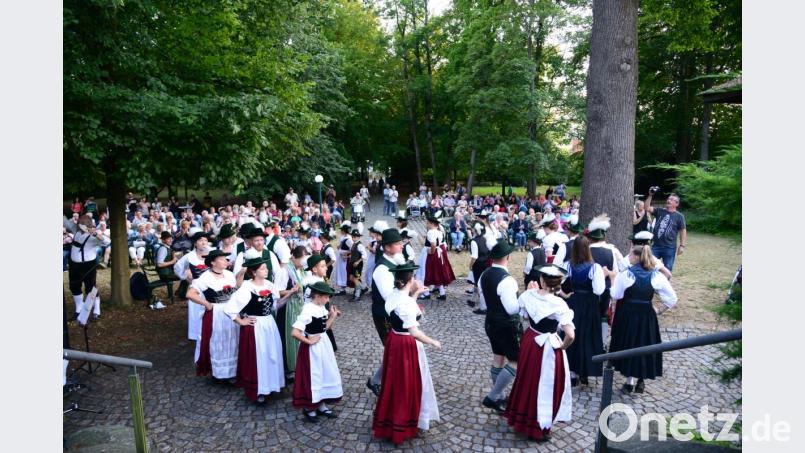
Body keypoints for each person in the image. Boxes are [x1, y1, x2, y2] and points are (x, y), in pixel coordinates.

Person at [504, 264, 575, 442]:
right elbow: (570, 335)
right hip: (549, 346)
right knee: (547, 385)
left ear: (542, 280)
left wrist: (530, 292)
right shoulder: (559, 304)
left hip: (530, 341)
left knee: (527, 379)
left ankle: (522, 418)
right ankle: (541, 426)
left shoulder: (528, 296)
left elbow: (525, 316)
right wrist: (563, 347)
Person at [372, 261, 441, 445]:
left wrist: (417, 294)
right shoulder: (406, 304)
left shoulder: (393, 296)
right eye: (415, 278)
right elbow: (414, 332)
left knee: (393, 381)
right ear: (410, 281)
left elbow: (404, 307)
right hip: (406, 344)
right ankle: (401, 426)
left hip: (394, 341)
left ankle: (390, 422)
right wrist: (433, 341)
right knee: (406, 384)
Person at [609, 244, 677, 393]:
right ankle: (640, 380)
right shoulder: (656, 275)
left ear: (637, 257)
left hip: (629, 314)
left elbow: (615, 295)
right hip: (647, 314)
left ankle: (630, 382)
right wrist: (658, 311)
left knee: (630, 344)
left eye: (631, 255)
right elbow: (672, 298)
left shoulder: (626, 274)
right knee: (645, 344)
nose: (629, 257)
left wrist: (613, 279)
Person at [224, 250, 285, 403]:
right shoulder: (246, 288)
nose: (267, 270)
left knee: (271, 354)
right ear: (254, 272)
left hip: (269, 324)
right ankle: (259, 389)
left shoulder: (270, 285)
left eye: (266, 267)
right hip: (256, 327)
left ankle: (271, 386)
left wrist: (289, 295)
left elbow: (274, 306)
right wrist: (242, 321)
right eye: (263, 268)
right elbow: (229, 309)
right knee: (259, 357)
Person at [291, 281, 343, 423]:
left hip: (323, 344)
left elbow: (323, 328)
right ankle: (309, 407)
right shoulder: (308, 309)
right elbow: (295, 332)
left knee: (325, 372)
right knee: (313, 376)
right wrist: (308, 341)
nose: (328, 300)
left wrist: (332, 316)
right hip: (311, 349)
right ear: (318, 296)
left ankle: (321, 404)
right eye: (326, 297)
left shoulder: (321, 308)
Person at [479, 240, 520, 413]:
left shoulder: (485, 274)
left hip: (490, 321)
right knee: (515, 362)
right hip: (505, 324)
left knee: (498, 359)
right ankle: (493, 397)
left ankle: (501, 395)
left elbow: (482, 300)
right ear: (507, 257)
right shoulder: (508, 280)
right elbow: (512, 308)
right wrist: (524, 301)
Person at [185, 249, 239, 382]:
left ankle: (233, 371)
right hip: (217, 315)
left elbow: (236, 289)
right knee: (218, 342)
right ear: (213, 263)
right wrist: (206, 303)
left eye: (225, 258)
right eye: (222, 259)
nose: (226, 261)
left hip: (230, 313)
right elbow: (190, 294)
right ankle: (219, 373)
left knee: (232, 340)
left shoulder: (229, 274)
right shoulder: (205, 277)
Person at [367, 228, 406, 396]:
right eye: (398, 244)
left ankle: (377, 381)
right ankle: (385, 383)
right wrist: (409, 291)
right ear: (387, 247)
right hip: (384, 315)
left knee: (396, 351)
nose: (402, 246)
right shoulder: (382, 269)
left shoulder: (396, 261)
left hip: (396, 313)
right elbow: (389, 297)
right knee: (394, 350)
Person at [564, 235, 606, 386]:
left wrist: (565, 294)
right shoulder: (595, 268)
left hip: (574, 303)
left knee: (573, 335)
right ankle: (585, 372)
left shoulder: (568, 265)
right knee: (587, 337)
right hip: (589, 305)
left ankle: (573, 373)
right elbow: (598, 290)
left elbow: (558, 282)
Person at [274, 246, 309, 379]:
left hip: (300, 308)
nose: (303, 262)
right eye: (302, 259)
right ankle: (289, 368)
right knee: (289, 337)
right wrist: (292, 290)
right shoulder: (284, 271)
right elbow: (277, 291)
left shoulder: (302, 270)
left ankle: (299, 364)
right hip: (287, 309)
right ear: (293, 257)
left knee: (300, 335)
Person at [68, 215, 109, 321]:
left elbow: (107, 242)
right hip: (74, 265)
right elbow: (66, 222)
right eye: (79, 223)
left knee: (90, 288)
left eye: (82, 224)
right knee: (74, 286)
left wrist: (95, 233)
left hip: (88, 266)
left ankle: (96, 310)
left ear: (88, 225)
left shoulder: (93, 237)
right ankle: (79, 309)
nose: (79, 225)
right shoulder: (76, 231)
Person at [173, 229, 212, 340]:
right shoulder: (189, 257)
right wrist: (186, 277)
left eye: (205, 240)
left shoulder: (212, 253)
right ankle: (198, 336)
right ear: (195, 243)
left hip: (211, 288)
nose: (204, 242)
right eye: (200, 240)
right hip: (196, 290)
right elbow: (177, 268)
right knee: (196, 314)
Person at [644, 189, 687, 272]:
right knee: (650, 266)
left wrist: (682, 245)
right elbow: (646, 208)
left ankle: (665, 283)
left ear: (676, 204)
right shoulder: (659, 211)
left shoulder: (679, 216)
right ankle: (651, 284)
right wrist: (650, 195)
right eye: (668, 199)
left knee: (667, 269)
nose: (669, 200)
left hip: (669, 247)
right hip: (655, 246)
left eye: (671, 200)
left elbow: (683, 231)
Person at [417, 215, 455, 300]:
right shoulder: (439, 231)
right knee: (438, 272)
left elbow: (433, 244)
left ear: (431, 224)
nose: (426, 224)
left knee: (426, 271)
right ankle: (442, 293)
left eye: (427, 223)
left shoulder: (431, 232)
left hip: (431, 253)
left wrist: (431, 251)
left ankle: (426, 293)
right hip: (439, 253)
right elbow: (440, 243)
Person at [467, 221, 494, 315]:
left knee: (480, 285)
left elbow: (474, 256)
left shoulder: (473, 241)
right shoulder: (484, 238)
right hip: (486, 263)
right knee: (478, 283)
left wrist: (470, 265)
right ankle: (473, 300)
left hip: (478, 265)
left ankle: (483, 307)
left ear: (475, 230)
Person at [153, 231, 179, 309]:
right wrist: (173, 261)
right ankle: (182, 293)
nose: (171, 240)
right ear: (163, 240)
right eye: (168, 239)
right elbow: (159, 264)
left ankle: (181, 292)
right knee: (186, 276)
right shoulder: (163, 249)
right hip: (165, 274)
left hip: (168, 272)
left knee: (186, 273)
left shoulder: (167, 248)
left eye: (171, 238)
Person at [333, 223, 353, 295]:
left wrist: (346, 254)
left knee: (343, 272)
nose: (341, 231)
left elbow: (352, 249)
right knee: (340, 271)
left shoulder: (348, 239)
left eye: (342, 230)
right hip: (340, 257)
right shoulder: (344, 237)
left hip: (344, 259)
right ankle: (342, 288)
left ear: (344, 231)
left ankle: (343, 288)